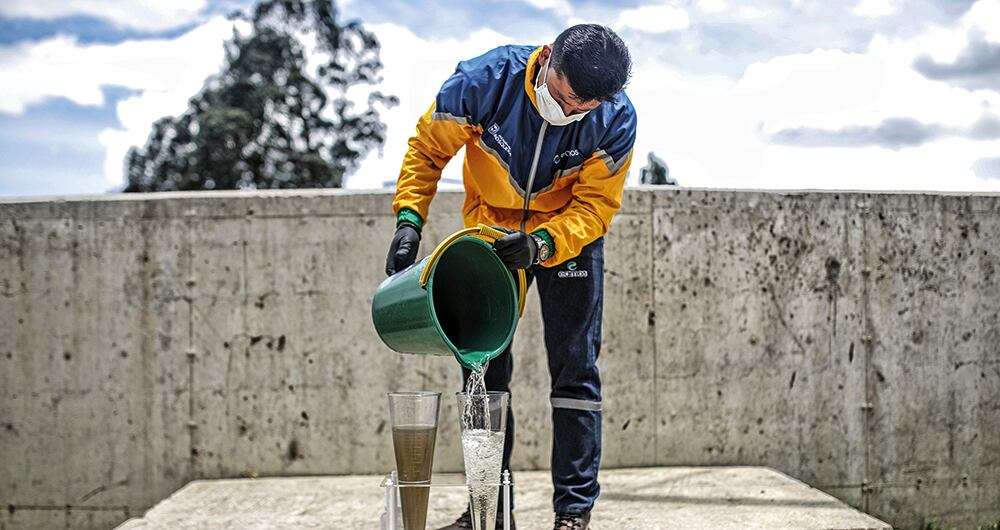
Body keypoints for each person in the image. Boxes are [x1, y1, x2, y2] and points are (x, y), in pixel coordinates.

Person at [384, 24, 636, 530]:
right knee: (483, 375)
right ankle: (489, 511)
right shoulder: (483, 81)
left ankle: (573, 512)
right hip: (490, 233)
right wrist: (409, 220)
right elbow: (427, 151)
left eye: (582, 109)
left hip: (568, 238)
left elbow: (595, 207)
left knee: (575, 370)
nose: (569, 113)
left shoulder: (615, 119)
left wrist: (543, 243)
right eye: (564, 99)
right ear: (546, 60)